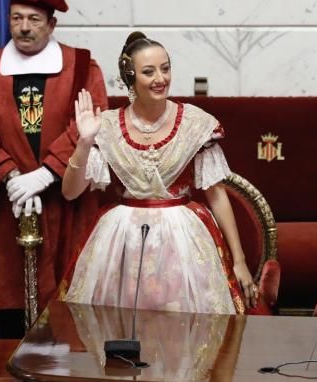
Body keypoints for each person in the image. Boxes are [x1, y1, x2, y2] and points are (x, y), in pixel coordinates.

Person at [62, 32, 257, 314]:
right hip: (123, 243)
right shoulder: (105, 125)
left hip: (184, 243)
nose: (160, 78)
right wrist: (84, 142)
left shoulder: (196, 123)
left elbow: (217, 196)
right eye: (149, 71)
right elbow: (70, 192)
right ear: (131, 78)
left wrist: (238, 260)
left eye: (165, 68)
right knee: (122, 328)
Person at [0, 0, 108, 336]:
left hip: (65, 203)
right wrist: (11, 177)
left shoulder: (83, 67)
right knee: (11, 310)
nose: (24, 27)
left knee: (71, 313)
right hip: (9, 206)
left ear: (51, 24)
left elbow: (93, 122)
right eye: (16, 18)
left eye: (34, 19)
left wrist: (46, 174)